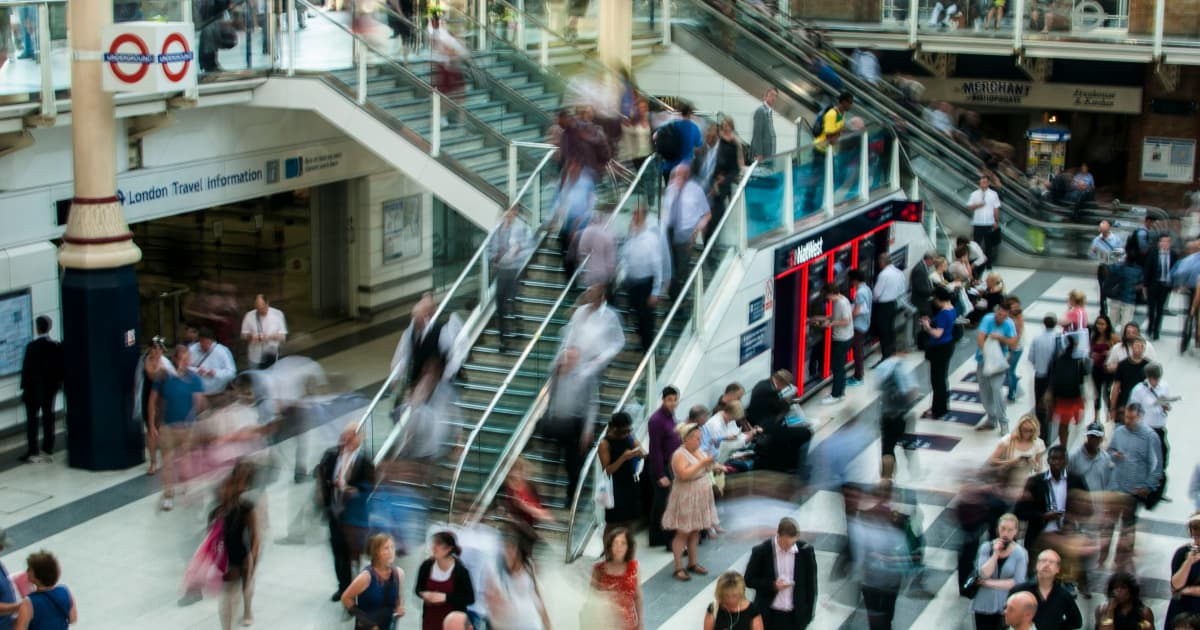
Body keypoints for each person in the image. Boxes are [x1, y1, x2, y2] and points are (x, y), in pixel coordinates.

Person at [389, 293, 465, 459]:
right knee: (412, 407)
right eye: (413, 317)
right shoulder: (411, 333)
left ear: (426, 316)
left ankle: (458, 442)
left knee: (449, 402)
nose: (414, 321)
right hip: (420, 378)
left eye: (416, 317)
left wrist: (444, 377)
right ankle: (410, 441)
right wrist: (396, 376)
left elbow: (453, 355)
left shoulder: (441, 330)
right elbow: (403, 355)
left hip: (439, 377)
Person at [317, 425, 376, 602]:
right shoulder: (332, 455)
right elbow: (322, 475)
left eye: (352, 436)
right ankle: (342, 587)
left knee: (354, 555)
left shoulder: (364, 461)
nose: (347, 439)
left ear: (360, 438)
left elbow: (370, 488)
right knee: (338, 552)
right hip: (335, 513)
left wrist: (354, 491)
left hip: (354, 517)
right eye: (345, 435)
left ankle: (356, 588)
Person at [1103, 403, 1162, 573]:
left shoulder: (1150, 437)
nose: (1127, 421)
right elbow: (1109, 451)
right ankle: (1103, 557)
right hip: (1116, 487)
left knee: (1127, 527)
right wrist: (1115, 455)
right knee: (1108, 524)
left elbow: (1157, 465)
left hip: (1133, 491)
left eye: (1131, 418)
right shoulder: (1120, 431)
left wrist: (1148, 486)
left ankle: (1122, 561)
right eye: (1126, 417)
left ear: (1140, 417)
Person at [149, 345, 207, 511]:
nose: (185, 362)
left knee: (187, 461)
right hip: (168, 427)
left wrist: (198, 410)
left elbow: (200, 402)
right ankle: (168, 495)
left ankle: (187, 489)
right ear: (175, 359)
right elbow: (152, 400)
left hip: (188, 427)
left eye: (188, 359)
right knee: (167, 462)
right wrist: (153, 424)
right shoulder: (164, 377)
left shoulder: (194, 379)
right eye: (182, 359)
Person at [663, 423, 718, 581]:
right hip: (686, 494)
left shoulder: (698, 450)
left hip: (700, 493)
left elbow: (706, 466)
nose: (699, 442)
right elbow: (683, 475)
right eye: (696, 439)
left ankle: (693, 563)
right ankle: (678, 566)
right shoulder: (679, 454)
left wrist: (714, 465)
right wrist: (702, 463)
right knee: (683, 531)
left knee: (695, 530)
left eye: (700, 439)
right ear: (686, 439)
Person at [743, 517, 817, 629]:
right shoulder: (762, 551)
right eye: (785, 544)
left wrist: (808, 614)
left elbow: (811, 586)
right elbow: (748, 580)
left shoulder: (805, 551)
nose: (789, 547)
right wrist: (772, 585)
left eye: (792, 543)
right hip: (770, 615)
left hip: (795, 616)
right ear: (778, 534)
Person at [213, 461, 260, 630]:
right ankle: (227, 626)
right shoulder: (222, 499)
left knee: (246, 586)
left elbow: (255, 536)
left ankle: (247, 609)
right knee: (227, 593)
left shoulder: (247, 506)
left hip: (242, 551)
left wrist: (253, 559)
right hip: (227, 552)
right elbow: (213, 531)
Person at [485, 525, 551, 630]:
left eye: (511, 548)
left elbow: (538, 599)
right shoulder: (495, 572)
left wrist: (548, 624)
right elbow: (494, 610)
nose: (508, 552)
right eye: (506, 548)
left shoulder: (528, 568)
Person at [620, 205, 667, 353]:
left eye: (637, 214)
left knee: (646, 319)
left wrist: (655, 291)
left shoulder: (651, 238)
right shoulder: (631, 236)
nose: (634, 217)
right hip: (632, 282)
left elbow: (657, 265)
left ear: (644, 217)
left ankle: (649, 348)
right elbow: (625, 256)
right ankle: (642, 343)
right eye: (633, 214)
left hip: (646, 283)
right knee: (636, 316)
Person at [661, 163, 711, 299]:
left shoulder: (696, 190)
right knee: (671, 268)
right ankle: (675, 296)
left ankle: (679, 298)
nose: (679, 178)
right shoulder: (670, 189)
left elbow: (707, 214)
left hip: (687, 233)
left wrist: (696, 232)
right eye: (677, 175)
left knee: (681, 269)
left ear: (687, 176)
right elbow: (665, 212)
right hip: (670, 231)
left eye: (682, 175)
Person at [971, 514, 1028, 630]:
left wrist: (987, 583)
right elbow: (983, 574)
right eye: (1003, 529)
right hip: (984, 604)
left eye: (1010, 530)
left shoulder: (1020, 553)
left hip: (1006, 606)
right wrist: (995, 554)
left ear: (1015, 531)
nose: (1006, 533)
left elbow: (1017, 582)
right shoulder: (986, 548)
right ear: (998, 529)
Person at [19, 316, 62, 464]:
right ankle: (48, 449)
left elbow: (26, 369)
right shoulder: (55, 346)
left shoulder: (32, 347)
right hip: (49, 390)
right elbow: (59, 369)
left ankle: (33, 450)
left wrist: (24, 387)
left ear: (37, 328)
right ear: (49, 328)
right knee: (48, 418)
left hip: (33, 391)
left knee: (32, 421)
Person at [489, 206, 531, 351]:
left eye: (511, 213)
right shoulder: (496, 231)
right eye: (506, 214)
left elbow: (528, 248)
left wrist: (515, 255)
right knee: (500, 304)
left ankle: (518, 324)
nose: (509, 216)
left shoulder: (520, 229)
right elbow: (488, 250)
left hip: (514, 270)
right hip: (501, 271)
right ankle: (503, 339)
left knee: (512, 300)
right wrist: (495, 257)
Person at [343, 533, 405, 630]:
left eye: (392, 547)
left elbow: (398, 599)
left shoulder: (398, 573)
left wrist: (400, 607)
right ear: (376, 552)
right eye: (386, 548)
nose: (391, 552)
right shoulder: (366, 577)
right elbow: (346, 598)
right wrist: (367, 622)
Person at [598, 413, 645, 539]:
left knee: (628, 521)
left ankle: (626, 554)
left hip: (629, 483)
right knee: (612, 523)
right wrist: (623, 458)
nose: (627, 433)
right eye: (624, 431)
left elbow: (643, 452)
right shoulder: (605, 443)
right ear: (614, 428)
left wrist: (639, 452)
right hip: (614, 487)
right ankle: (608, 555)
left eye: (629, 430)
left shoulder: (628, 437)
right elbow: (607, 471)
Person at [1126, 362, 1171, 493]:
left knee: (1163, 453)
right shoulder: (1139, 390)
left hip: (1159, 426)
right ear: (1148, 377)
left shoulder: (1164, 386)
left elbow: (1166, 402)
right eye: (1153, 379)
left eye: (1158, 379)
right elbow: (1132, 408)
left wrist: (1165, 406)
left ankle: (1158, 486)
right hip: (1145, 429)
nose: (1156, 382)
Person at [416, 531, 475, 630]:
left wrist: (445, 597)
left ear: (449, 548)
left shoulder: (460, 571)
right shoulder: (426, 565)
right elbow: (418, 589)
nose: (434, 547)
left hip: (452, 624)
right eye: (434, 543)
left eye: (438, 544)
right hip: (430, 620)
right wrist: (424, 595)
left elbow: (469, 598)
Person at [975, 301, 1019, 434]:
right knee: (985, 391)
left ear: (1007, 315)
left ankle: (1003, 422)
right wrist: (986, 353)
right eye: (998, 313)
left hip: (999, 363)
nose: (999, 316)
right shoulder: (988, 319)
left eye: (1003, 315)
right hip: (983, 360)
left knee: (996, 390)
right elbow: (981, 337)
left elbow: (1013, 343)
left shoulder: (1009, 324)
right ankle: (991, 418)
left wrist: (1000, 337)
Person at [646, 386, 681, 548]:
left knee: (666, 502)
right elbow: (655, 449)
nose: (672, 403)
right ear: (663, 400)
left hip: (671, 465)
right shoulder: (656, 420)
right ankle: (660, 537)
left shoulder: (670, 417)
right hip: (661, 466)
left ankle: (662, 537)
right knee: (662, 504)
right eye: (669, 400)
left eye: (675, 400)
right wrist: (661, 474)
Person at [589, 528, 643, 630]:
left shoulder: (634, 567)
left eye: (623, 543)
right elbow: (590, 598)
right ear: (610, 546)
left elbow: (637, 597)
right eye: (616, 543)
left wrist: (640, 623)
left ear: (628, 547)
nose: (619, 547)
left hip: (628, 625)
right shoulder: (599, 569)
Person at [920, 287, 958, 419]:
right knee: (941, 378)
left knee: (937, 380)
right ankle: (940, 406)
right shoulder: (951, 309)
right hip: (947, 345)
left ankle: (938, 409)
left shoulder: (944, 314)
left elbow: (937, 333)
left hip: (940, 348)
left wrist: (927, 327)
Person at [987, 415, 1047, 499]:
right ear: (1019, 428)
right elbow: (991, 460)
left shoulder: (1038, 443)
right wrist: (1010, 462)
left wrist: (1033, 463)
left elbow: (1039, 469)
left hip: (1025, 483)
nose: (1027, 433)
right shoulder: (1008, 440)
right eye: (1024, 430)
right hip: (1007, 480)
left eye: (1031, 430)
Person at [815, 283, 854, 404]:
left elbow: (846, 321)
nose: (827, 299)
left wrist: (830, 324)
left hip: (841, 339)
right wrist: (821, 318)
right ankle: (840, 392)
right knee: (840, 367)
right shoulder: (842, 300)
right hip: (846, 337)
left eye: (827, 296)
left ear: (831, 293)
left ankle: (835, 395)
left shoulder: (841, 303)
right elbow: (835, 316)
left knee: (837, 368)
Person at [1048, 334, 1087, 448]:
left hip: (1060, 397)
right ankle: (1064, 446)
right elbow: (1082, 379)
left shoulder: (1058, 359)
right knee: (1068, 424)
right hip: (1073, 397)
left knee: (1063, 425)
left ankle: (1063, 446)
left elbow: (1052, 378)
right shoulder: (1079, 360)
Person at [1026, 314, 1060, 438]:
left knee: (1040, 407)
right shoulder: (1058, 339)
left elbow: (1031, 357)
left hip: (1040, 376)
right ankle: (1050, 430)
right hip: (1055, 377)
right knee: (1052, 405)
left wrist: (1038, 363)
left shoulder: (1037, 339)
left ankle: (1043, 435)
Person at [873, 251, 906, 360]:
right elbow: (902, 289)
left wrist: (872, 300)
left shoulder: (884, 275)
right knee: (891, 329)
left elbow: (876, 293)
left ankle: (885, 356)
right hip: (893, 303)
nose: (879, 264)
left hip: (883, 306)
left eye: (879, 262)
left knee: (884, 331)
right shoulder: (899, 272)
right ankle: (892, 352)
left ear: (883, 262)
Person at [1166, 515, 1200, 623]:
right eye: (1195, 537)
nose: (1197, 541)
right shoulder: (1183, 552)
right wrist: (1188, 562)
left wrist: (1188, 590)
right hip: (1182, 608)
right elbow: (1176, 586)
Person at [1108, 337, 1148, 425]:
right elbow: (1116, 387)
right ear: (1132, 347)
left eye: (1142, 346)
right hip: (1124, 403)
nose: (1139, 348)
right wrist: (1112, 408)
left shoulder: (1148, 366)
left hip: (1141, 405)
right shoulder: (1122, 365)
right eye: (1137, 345)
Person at [240, 294, 286, 370]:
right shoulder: (249, 315)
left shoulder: (278, 314)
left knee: (271, 379)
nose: (261, 311)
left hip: (271, 356)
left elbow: (283, 337)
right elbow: (243, 335)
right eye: (258, 308)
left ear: (267, 303)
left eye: (262, 308)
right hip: (254, 357)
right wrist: (251, 337)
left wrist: (269, 337)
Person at [1145, 234, 1176, 340]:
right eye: (1163, 241)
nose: (1165, 243)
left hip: (1165, 285)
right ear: (1159, 243)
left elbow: (1174, 269)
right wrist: (1145, 285)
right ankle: (1150, 327)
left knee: (1160, 309)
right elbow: (1147, 269)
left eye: (1167, 241)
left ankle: (1156, 330)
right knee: (1151, 308)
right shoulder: (1153, 253)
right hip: (1153, 284)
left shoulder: (1173, 254)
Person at [967, 174, 1002, 271]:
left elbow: (996, 208)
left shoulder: (993, 194)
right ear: (980, 183)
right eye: (982, 182)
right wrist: (978, 205)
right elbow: (969, 207)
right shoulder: (974, 194)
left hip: (989, 223)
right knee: (976, 244)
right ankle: (976, 263)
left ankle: (988, 264)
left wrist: (996, 221)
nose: (983, 184)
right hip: (977, 223)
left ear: (989, 183)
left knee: (988, 245)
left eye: (985, 182)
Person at [1090, 220, 1124, 315]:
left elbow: (1121, 253)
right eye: (1101, 230)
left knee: (1115, 289)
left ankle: (1118, 310)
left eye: (1104, 230)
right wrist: (1094, 253)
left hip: (1114, 267)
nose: (1102, 233)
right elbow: (1091, 254)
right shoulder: (1096, 240)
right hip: (1102, 267)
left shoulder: (1116, 239)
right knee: (1102, 289)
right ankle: (1103, 310)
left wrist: (1109, 257)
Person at [189, 327, 237, 395]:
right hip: (196, 391)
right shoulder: (192, 349)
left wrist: (216, 373)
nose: (206, 346)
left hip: (216, 391)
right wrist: (196, 370)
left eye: (208, 343)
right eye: (203, 343)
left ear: (212, 341)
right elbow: (184, 367)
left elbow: (232, 373)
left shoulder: (222, 351)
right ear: (199, 341)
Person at [1104, 251, 1143, 332]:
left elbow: (1107, 269)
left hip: (1116, 297)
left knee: (1112, 322)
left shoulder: (1118, 267)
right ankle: (1123, 341)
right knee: (1126, 324)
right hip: (1130, 300)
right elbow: (1140, 285)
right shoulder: (1139, 271)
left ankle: (1110, 339)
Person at [1089, 315, 1119, 420]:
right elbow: (1090, 350)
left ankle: (1108, 415)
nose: (1100, 326)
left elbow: (1119, 349)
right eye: (1098, 324)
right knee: (1096, 393)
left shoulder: (1112, 337)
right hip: (1096, 368)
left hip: (1107, 369)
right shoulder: (1094, 337)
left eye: (1102, 324)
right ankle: (1096, 417)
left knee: (1107, 393)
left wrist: (1110, 353)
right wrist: (1092, 355)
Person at [850, 269, 874, 386]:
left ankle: (858, 376)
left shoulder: (859, 293)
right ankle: (859, 374)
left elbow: (857, 311)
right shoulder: (867, 289)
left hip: (858, 325)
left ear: (855, 280)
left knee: (857, 351)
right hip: (865, 323)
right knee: (858, 350)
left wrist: (847, 317)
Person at [751, 88, 777, 162]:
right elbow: (757, 134)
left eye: (775, 96)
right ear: (765, 97)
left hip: (768, 153)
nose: (774, 98)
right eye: (772, 95)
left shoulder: (769, 111)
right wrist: (759, 153)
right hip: (762, 155)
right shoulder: (760, 111)